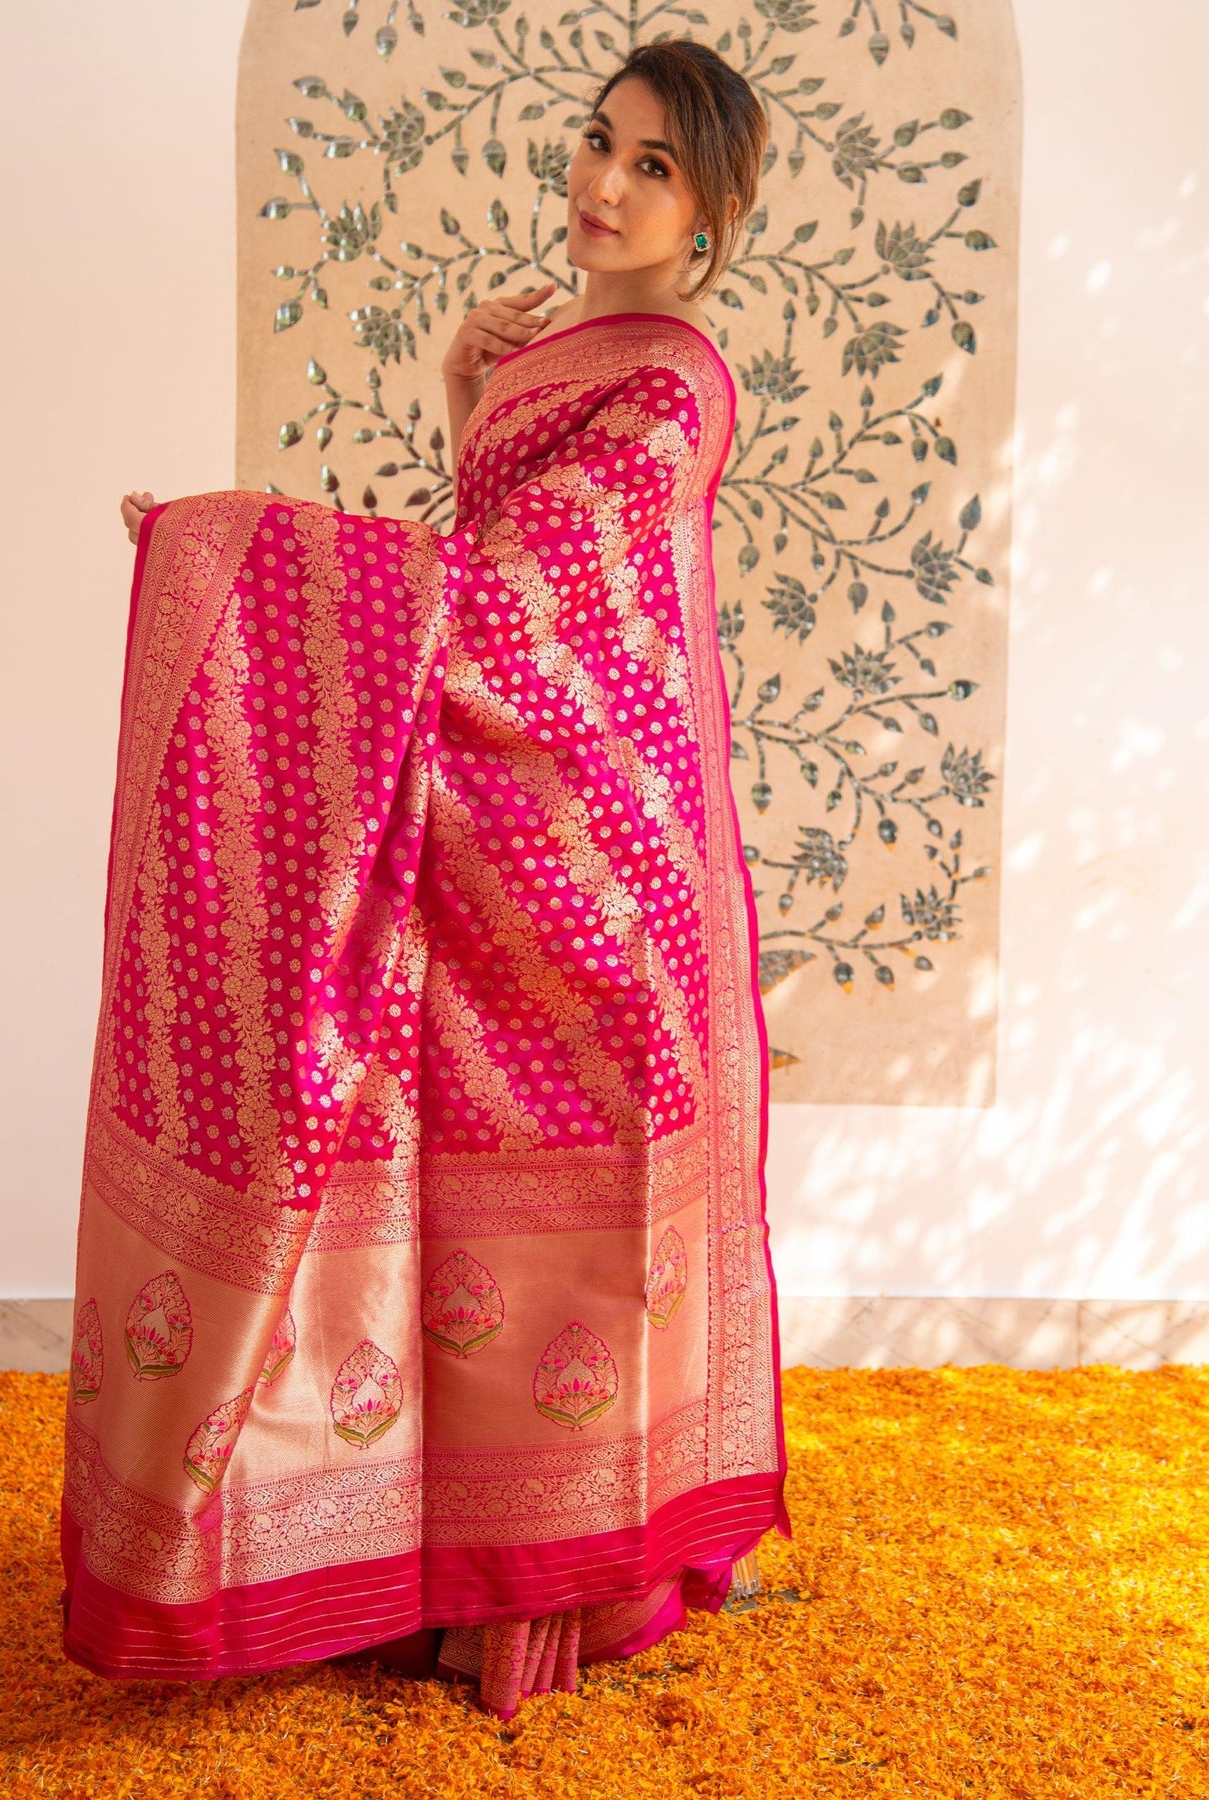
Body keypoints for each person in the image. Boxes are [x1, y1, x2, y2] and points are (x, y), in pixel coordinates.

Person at [72, 38, 791, 1722]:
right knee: (459, 1208)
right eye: (597, 142)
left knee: (575, 1230)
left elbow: (524, 614)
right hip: (492, 851)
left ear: (710, 216)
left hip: (589, 865)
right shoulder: (556, 360)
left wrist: (232, 550)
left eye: (653, 167)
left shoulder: (670, 385)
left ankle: (563, 1581)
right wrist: (469, 408)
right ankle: (444, 1557)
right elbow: (478, 584)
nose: (602, 183)